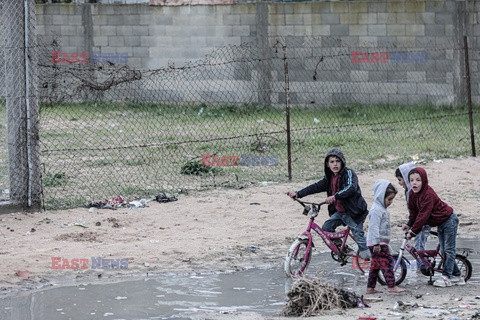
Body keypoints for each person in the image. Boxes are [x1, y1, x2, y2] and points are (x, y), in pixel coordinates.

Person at [286, 148, 371, 260]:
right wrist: (298, 194)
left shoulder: (349, 173)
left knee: (359, 238)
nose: (335, 164)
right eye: (332, 162)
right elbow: (315, 186)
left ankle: (372, 262)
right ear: (327, 164)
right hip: (340, 212)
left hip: (354, 212)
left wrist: (335, 196)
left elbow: (351, 188)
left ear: (342, 162)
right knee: (326, 228)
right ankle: (342, 248)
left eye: (337, 161)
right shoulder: (329, 178)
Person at [404, 167, 465, 287]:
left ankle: (446, 276)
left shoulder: (428, 194)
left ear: (424, 181)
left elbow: (423, 215)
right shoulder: (411, 194)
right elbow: (414, 212)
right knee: (443, 250)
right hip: (440, 223)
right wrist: (409, 224)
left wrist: (413, 232)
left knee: (448, 249)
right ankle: (457, 275)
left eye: (418, 180)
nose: (414, 183)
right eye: (411, 180)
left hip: (449, 220)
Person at [365, 180, 405, 294]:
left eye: (392, 199)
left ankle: (370, 288)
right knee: (387, 263)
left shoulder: (381, 209)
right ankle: (392, 286)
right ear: (381, 196)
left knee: (375, 266)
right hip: (378, 243)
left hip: (378, 242)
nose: (390, 202)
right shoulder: (376, 210)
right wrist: (376, 243)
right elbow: (373, 227)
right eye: (389, 199)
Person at [396, 162, 430, 269]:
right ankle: (422, 264)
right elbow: (413, 211)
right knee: (418, 243)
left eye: (400, 180)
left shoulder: (415, 191)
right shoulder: (408, 191)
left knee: (419, 244)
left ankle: (423, 267)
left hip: (423, 221)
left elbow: (422, 211)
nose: (399, 183)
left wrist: (416, 225)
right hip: (417, 221)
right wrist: (410, 224)